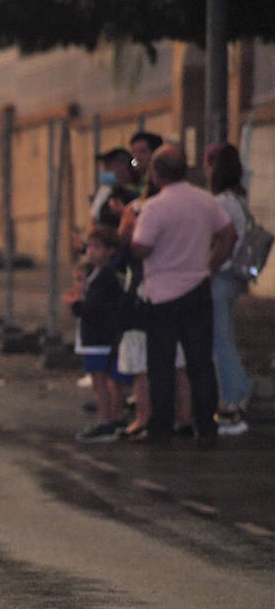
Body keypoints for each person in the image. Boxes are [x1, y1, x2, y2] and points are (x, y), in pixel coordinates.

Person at [124, 144, 236, 445]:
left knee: (161, 363)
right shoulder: (205, 201)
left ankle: (161, 427)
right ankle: (207, 425)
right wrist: (212, 264)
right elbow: (229, 235)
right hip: (198, 287)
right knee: (200, 362)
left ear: (156, 174)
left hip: (161, 294)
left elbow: (142, 248)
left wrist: (131, 231)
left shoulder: (154, 207)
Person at [205, 142, 253, 436]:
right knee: (224, 339)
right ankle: (238, 393)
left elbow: (225, 237)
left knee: (220, 341)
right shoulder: (237, 199)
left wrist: (209, 267)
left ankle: (231, 404)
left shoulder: (221, 201)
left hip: (221, 278)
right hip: (233, 277)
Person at [68, 226, 127, 441]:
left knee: (100, 381)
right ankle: (115, 416)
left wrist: (77, 305)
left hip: (98, 338)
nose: (92, 251)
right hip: (101, 337)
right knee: (109, 381)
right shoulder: (98, 274)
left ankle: (105, 421)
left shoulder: (105, 277)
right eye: (90, 247)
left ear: (110, 251)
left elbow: (96, 308)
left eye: (98, 247)